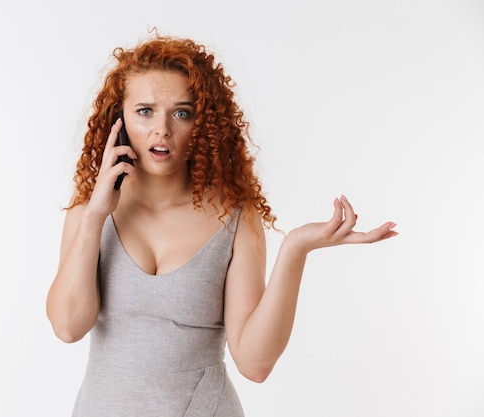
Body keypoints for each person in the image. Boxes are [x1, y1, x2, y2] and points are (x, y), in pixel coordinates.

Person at [46, 33, 398, 417]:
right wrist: (96, 216)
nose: (161, 128)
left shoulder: (233, 215)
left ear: (204, 122)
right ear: (120, 119)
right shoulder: (89, 212)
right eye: (144, 111)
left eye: (182, 112)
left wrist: (296, 249)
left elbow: (254, 364)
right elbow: (68, 327)